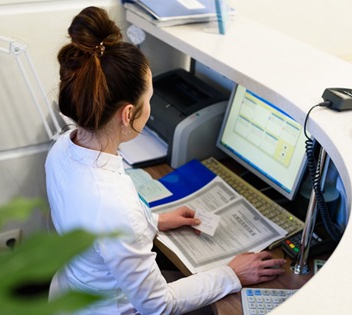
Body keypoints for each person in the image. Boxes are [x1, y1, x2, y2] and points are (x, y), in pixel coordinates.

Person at [45, 6, 286, 315]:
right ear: (128, 114)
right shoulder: (115, 205)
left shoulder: (64, 147)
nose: (151, 107)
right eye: (149, 99)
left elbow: (94, 225)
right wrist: (232, 274)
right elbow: (157, 306)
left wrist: (154, 221)